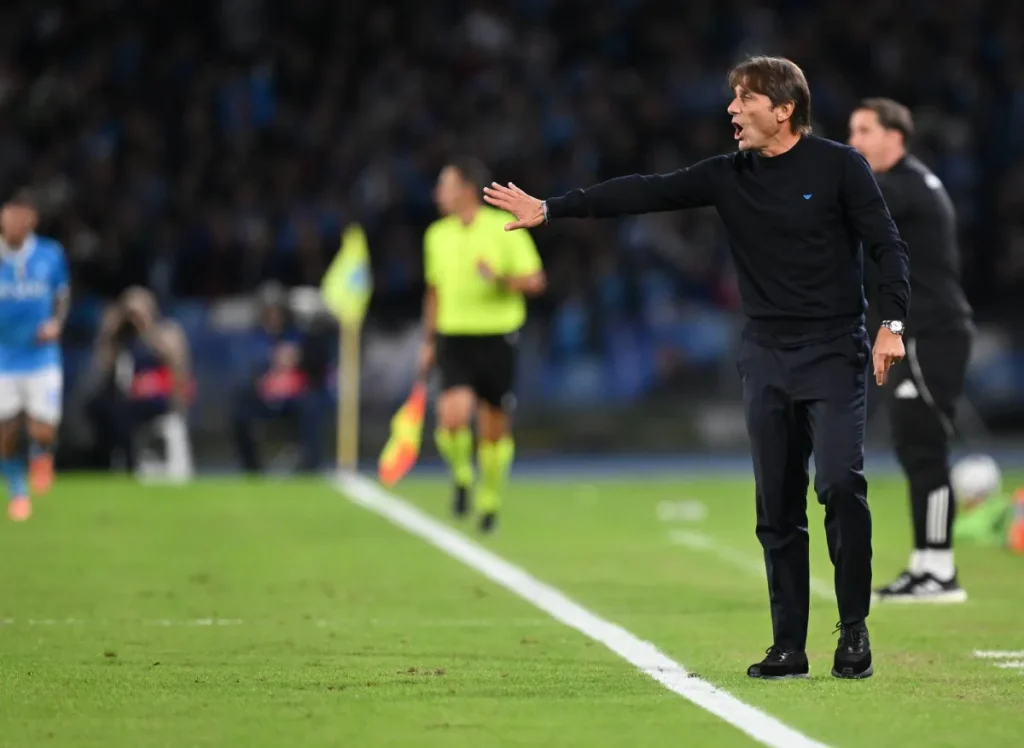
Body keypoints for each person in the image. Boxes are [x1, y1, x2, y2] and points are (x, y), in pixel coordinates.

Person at [484, 56, 910, 679]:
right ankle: (789, 645)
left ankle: (853, 628)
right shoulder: (727, 175)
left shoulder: (840, 166)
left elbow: (887, 246)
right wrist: (552, 208)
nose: (732, 109)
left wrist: (891, 325)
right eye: (733, 97)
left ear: (784, 109)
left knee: (841, 485)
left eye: (745, 98)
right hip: (765, 352)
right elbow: (645, 191)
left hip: (832, 349)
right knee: (777, 507)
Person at [848, 98, 975, 603]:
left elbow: (847, 203)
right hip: (923, 332)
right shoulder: (911, 184)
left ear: (895, 137)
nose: (854, 141)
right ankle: (926, 564)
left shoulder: (902, 187)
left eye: (864, 131)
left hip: (930, 333)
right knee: (913, 447)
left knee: (926, 449)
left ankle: (940, 569)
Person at [419, 156, 546, 533]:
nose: (438, 193)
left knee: (493, 429)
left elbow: (536, 281)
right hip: (454, 337)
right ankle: (462, 476)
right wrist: (428, 340)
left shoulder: (504, 227)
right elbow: (434, 291)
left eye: (445, 185)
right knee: (452, 416)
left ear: (467, 190)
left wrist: (500, 279)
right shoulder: (436, 235)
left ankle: (490, 499)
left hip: (496, 337)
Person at [0, 190, 70, 521]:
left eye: (19, 215)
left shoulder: (50, 254)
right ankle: (17, 492)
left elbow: (62, 295)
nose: (13, 221)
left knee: (42, 428)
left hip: (41, 356)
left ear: (32, 220)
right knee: (5, 432)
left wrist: (57, 323)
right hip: (3, 357)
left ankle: (42, 454)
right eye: (8, 215)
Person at [85, 287, 192, 473]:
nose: (134, 319)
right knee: (98, 407)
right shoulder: (122, 339)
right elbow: (102, 367)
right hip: (129, 397)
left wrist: (146, 329)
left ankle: (130, 465)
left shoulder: (166, 332)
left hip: (159, 398)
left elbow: (178, 370)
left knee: (122, 413)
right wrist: (109, 333)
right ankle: (104, 461)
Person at [232, 282, 330, 473]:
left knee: (312, 406)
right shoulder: (255, 338)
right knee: (241, 409)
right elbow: (248, 371)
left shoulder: (300, 335)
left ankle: (311, 468)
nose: (273, 316)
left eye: (276, 311)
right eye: (268, 311)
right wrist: (269, 365)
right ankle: (252, 468)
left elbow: (318, 366)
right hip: (267, 396)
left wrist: (298, 357)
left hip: (296, 396)